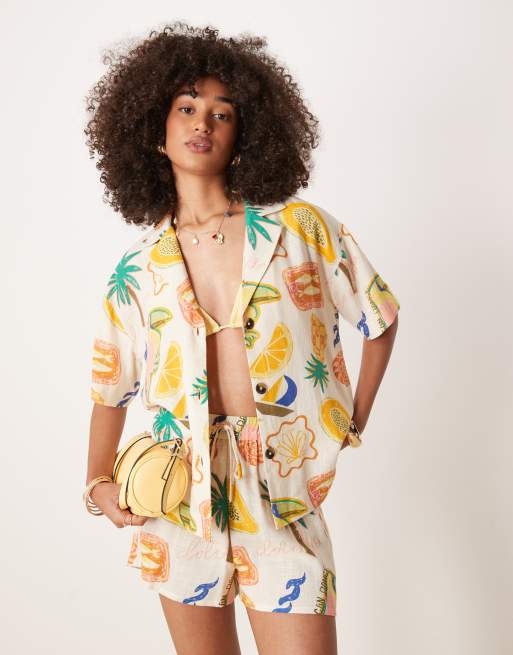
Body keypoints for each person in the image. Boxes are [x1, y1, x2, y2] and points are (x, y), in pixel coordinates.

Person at [83, 21, 400, 655]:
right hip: (179, 490)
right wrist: (97, 482)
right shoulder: (137, 269)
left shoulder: (300, 228)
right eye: (187, 107)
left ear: (244, 135)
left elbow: (380, 316)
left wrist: (353, 418)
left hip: (281, 486)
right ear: (154, 130)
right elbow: (110, 388)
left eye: (222, 113)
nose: (203, 122)